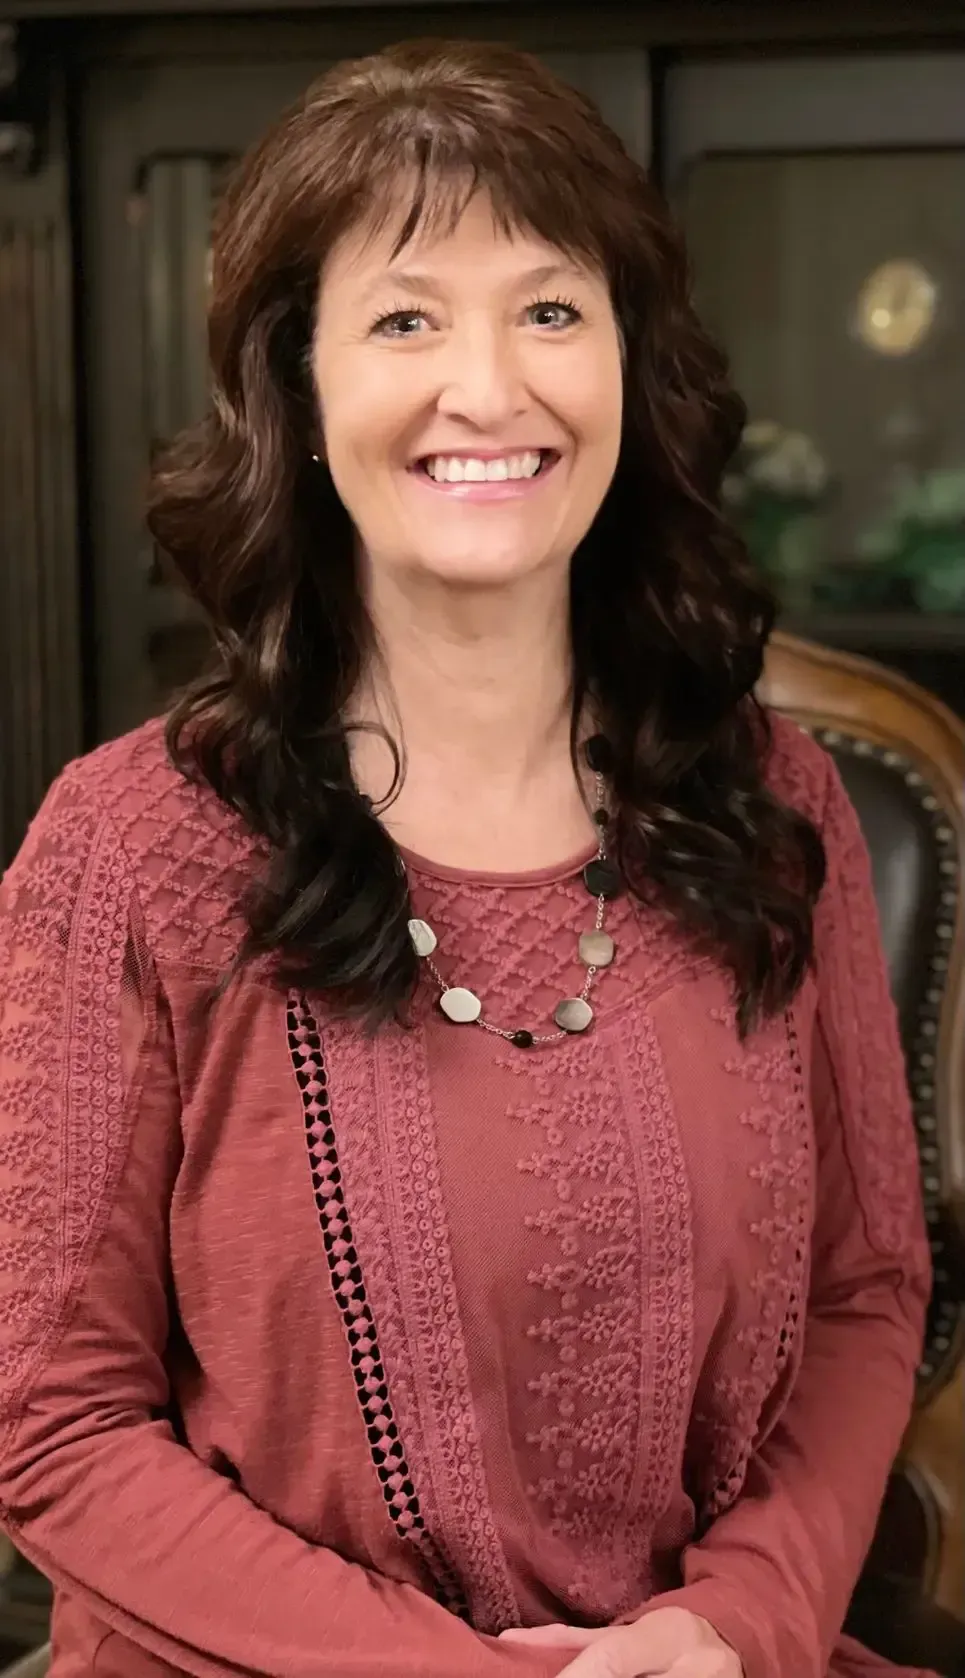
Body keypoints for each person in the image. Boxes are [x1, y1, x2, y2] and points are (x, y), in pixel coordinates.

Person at [0, 36, 934, 1678]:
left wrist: (738, 1621)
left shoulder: (772, 805)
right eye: (407, 317)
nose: (489, 387)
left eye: (552, 310)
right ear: (296, 390)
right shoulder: (130, 847)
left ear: (631, 370)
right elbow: (51, 1421)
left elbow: (866, 1291)